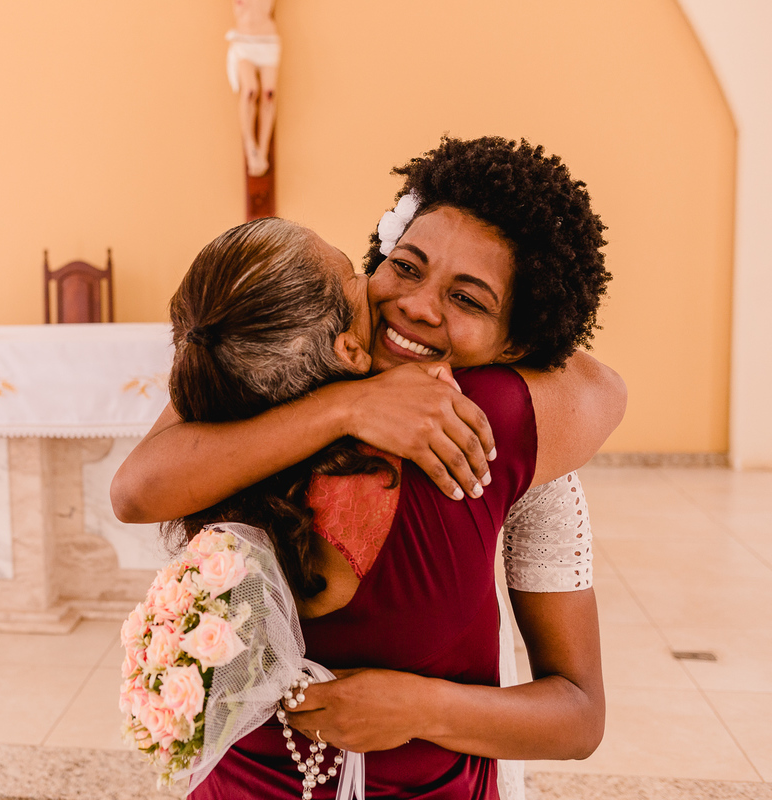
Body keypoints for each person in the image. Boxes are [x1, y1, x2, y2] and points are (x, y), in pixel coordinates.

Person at [113, 137, 621, 794]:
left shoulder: (486, 423)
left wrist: (419, 707)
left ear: (519, 344)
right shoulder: (273, 375)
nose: (415, 304)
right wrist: (348, 408)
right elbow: (134, 489)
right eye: (405, 266)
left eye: (468, 298)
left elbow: (578, 718)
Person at [227, 0, 279, 177]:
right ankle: (250, 147)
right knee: (249, 90)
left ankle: (263, 151)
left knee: (269, 94)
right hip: (244, 42)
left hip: (268, 41)